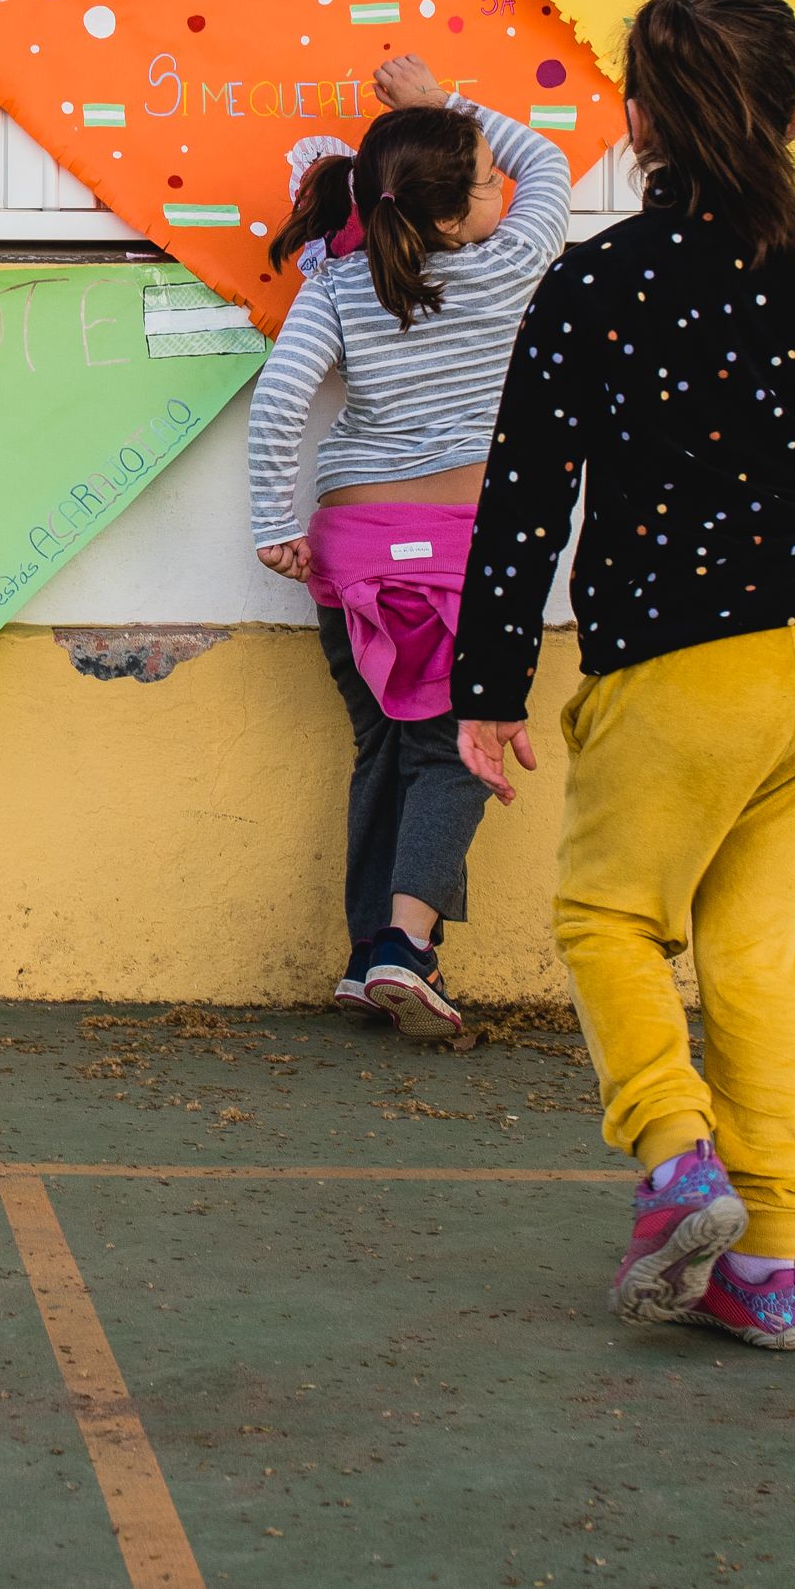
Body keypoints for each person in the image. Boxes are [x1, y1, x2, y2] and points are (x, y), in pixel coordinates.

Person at [442, 0, 795, 1353]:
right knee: (769, 962)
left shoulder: (595, 282)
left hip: (677, 666)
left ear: (635, 120)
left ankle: (674, 1154)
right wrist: (790, 529)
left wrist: (485, 685)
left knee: (608, 919)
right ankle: (766, 1267)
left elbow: (526, 495)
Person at [246, 56, 576, 1046]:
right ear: (446, 218)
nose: (500, 188)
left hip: (350, 547)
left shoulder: (343, 285)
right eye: (483, 182)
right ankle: (405, 947)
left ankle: (364, 958)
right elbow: (549, 162)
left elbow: (280, 399)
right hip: (460, 550)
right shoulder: (511, 261)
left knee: (381, 745)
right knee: (449, 747)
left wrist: (273, 522)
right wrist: (444, 102)